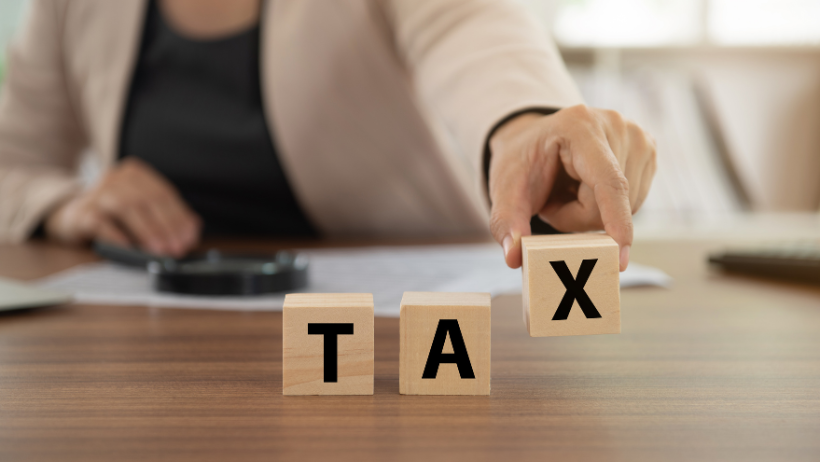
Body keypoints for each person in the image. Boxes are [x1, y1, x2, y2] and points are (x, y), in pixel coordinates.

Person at [0, 0, 656, 271]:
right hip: (155, 348)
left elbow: (472, 28)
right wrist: (66, 205)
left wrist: (528, 127)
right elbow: (12, 163)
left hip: (387, 348)